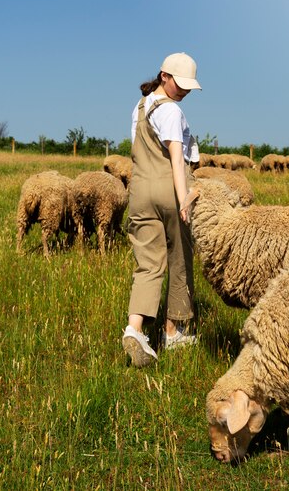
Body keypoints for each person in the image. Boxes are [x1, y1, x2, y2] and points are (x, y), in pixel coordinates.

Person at [122, 52, 202, 367]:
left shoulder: (139, 108)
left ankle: (135, 329)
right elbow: (175, 156)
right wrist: (183, 198)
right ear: (164, 76)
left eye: (187, 87)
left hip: (140, 192)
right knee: (180, 258)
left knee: (147, 265)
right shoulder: (171, 111)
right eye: (179, 83)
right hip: (170, 189)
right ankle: (173, 331)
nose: (183, 91)